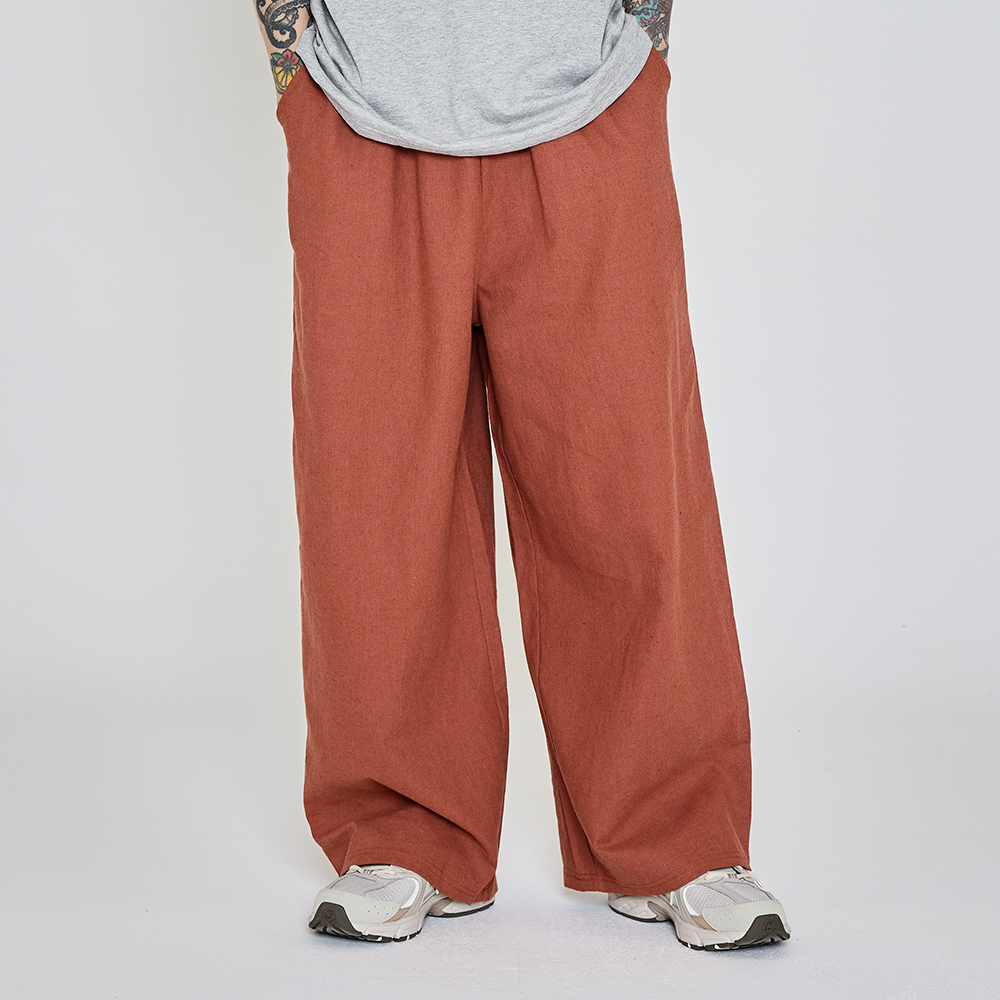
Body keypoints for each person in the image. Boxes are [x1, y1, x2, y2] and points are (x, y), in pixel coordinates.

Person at [255, 0, 791, 952]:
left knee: (626, 488)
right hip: (359, 107)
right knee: (372, 500)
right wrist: (295, 62)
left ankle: (675, 835)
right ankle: (403, 832)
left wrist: (644, 47)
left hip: (590, 99)